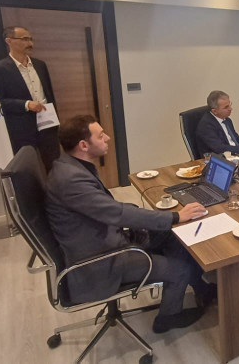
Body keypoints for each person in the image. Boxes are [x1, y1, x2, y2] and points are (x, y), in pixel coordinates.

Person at [46, 115, 215, 333]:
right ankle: (168, 317)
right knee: (181, 266)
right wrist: (175, 216)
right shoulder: (71, 180)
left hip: (105, 240)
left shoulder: (71, 166)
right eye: (101, 136)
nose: (107, 138)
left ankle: (202, 289)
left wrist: (147, 218)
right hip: (101, 262)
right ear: (83, 145)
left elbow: (107, 208)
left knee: (174, 237)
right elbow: (116, 213)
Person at [0, 26, 60, 171]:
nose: (30, 43)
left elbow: (49, 94)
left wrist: (56, 119)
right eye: (24, 39)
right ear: (9, 41)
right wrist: (26, 104)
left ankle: (56, 186)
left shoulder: (40, 65)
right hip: (21, 127)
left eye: (31, 39)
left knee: (54, 163)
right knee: (27, 167)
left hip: (47, 122)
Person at [195, 90, 239, 156]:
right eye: (226, 107)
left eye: (230, 104)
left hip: (236, 156)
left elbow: (237, 139)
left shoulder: (227, 120)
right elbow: (220, 148)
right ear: (215, 111)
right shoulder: (206, 125)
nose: (230, 109)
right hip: (219, 159)